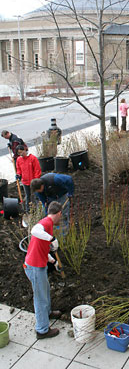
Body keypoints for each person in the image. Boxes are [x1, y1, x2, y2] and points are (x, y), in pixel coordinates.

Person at [24, 201, 63, 339]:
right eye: (61, 215)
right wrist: (52, 238)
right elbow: (34, 230)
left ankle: (47, 313)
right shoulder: (45, 223)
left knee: (45, 291)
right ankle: (42, 330)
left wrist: (52, 261)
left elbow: (41, 246)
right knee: (40, 297)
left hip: (39, 264)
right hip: (34, 266)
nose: (61, 217)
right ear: (58, 213)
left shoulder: (49, 225)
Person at [16, 145, 42, 212]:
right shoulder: (19, 160)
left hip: (33, 181)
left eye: (22, 152)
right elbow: (19, 169)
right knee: (28, 196)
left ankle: (39, 210)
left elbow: (37, 170)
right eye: (19, 153)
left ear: (25, 150)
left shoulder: (32, 158)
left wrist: (36, 180)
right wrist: (18, 174)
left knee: (36, 196)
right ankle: (28, 210)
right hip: (25, 181)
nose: (21, 154)